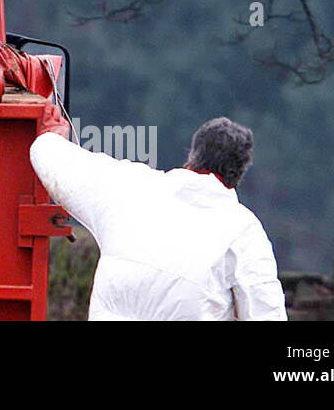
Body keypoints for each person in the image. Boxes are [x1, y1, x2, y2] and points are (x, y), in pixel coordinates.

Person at [31, 102, 286, 320]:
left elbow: (59, 165)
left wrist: (51, 134)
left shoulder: (131, 188)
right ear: (239, 173)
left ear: (192, 154)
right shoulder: (244, 230)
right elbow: (265, 313)